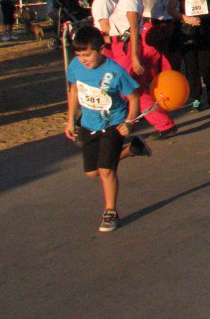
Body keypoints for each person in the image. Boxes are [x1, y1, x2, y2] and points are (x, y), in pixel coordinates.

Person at [64, 26, 151, 233]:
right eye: (79, 55)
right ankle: (131, 150)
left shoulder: (115, 72)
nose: (83, 59)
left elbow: (133, 98)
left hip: (113, 123)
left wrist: (129, 122)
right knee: (92, 172)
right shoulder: (76, 66)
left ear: (101, 50)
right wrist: (70, 120)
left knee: (106, 170)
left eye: (87, 55)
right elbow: (74, 90)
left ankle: (110, 212)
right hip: (88, 123)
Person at [106, 0, 177, 139]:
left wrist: (135, 57)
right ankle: (163, 123)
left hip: (126, 47)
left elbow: (134, 27)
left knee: (122, 87)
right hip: (122, 46)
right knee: (135, 90)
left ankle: (115, 125)